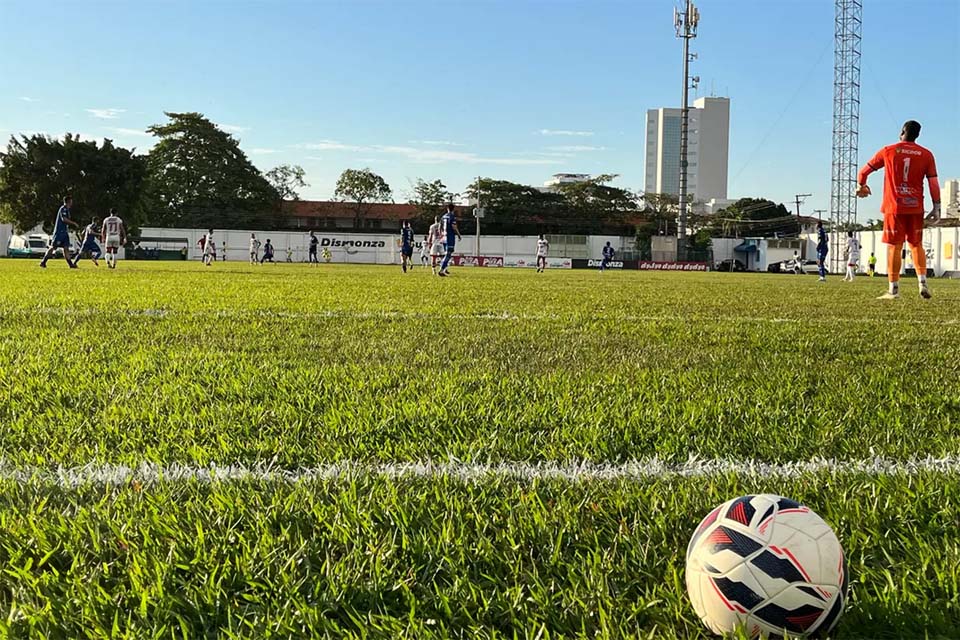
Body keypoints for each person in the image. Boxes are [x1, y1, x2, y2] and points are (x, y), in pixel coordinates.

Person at [857, 120, 940, 300]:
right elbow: (933, 182)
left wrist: (862, 186)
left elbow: (863, 172)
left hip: (894, 207)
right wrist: (937, 206)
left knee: (895, 246)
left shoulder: (888, 150)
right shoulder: (926, 154)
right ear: (918, 135)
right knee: (916, 245)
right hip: (916, 207)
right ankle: (922, 283)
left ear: (902, 131)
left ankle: (893, 289)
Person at [40, 195, 79, 268]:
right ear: (68, 202)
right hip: (59, 232)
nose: (72, 204)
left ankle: (70, 264)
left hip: (64, 232)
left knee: (66, 248)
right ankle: (43, 261)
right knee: (53, 247)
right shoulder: (63, 209)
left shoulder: (67, 210)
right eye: (71, 202)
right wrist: (73, 223)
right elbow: (64, 219)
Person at [438, 204, 461, 277]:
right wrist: (458, 234)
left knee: (446, 254)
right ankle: (441, 270)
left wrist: (441, 235)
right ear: (453, 209)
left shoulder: (443, 216)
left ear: (447, 208)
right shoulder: (452, 217)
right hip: (449, 237)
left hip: (444, 237)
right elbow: (454, 226)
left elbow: (439, 227)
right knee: (448, 254)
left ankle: (444, 269)